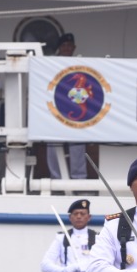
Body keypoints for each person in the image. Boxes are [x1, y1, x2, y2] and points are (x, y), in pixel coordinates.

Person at [46, 33, 88, 180]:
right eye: (64, 45)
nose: (67, 48)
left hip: (75, 110)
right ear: (59, 47)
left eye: (69, 46)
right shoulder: (51, 64)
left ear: (74, 47)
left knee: (77, 145)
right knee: (53, 145)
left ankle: (79, 178)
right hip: (56, 110)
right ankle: (56, 178)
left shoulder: (80, 65)